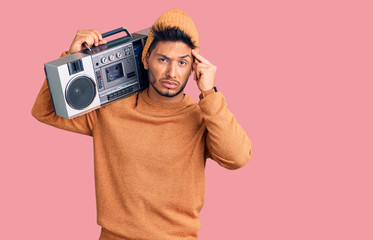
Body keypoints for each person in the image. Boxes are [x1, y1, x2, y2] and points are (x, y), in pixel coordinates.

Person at [32, 9, 252, 240]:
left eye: (182, 62)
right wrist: (70, 60)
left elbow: (237, 157)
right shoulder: (111, 109)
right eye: (163, 59)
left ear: (194, 67)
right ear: (146, 59)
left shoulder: (202, 117)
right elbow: (44, 111)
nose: (171, 72)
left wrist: (209, 93)